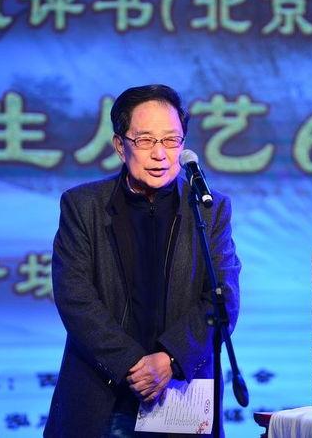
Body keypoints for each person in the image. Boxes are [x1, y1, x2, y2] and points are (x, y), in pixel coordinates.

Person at [44, 84, 241, 437]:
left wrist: (170, 358)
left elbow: (222, 297)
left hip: (182, 393)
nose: (160, 154)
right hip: (102, 395)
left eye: (171, 140)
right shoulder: (83, 206)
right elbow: (74, 297)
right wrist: (131, 364)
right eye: (146, 140)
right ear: (121, 146)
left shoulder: (209, 208)